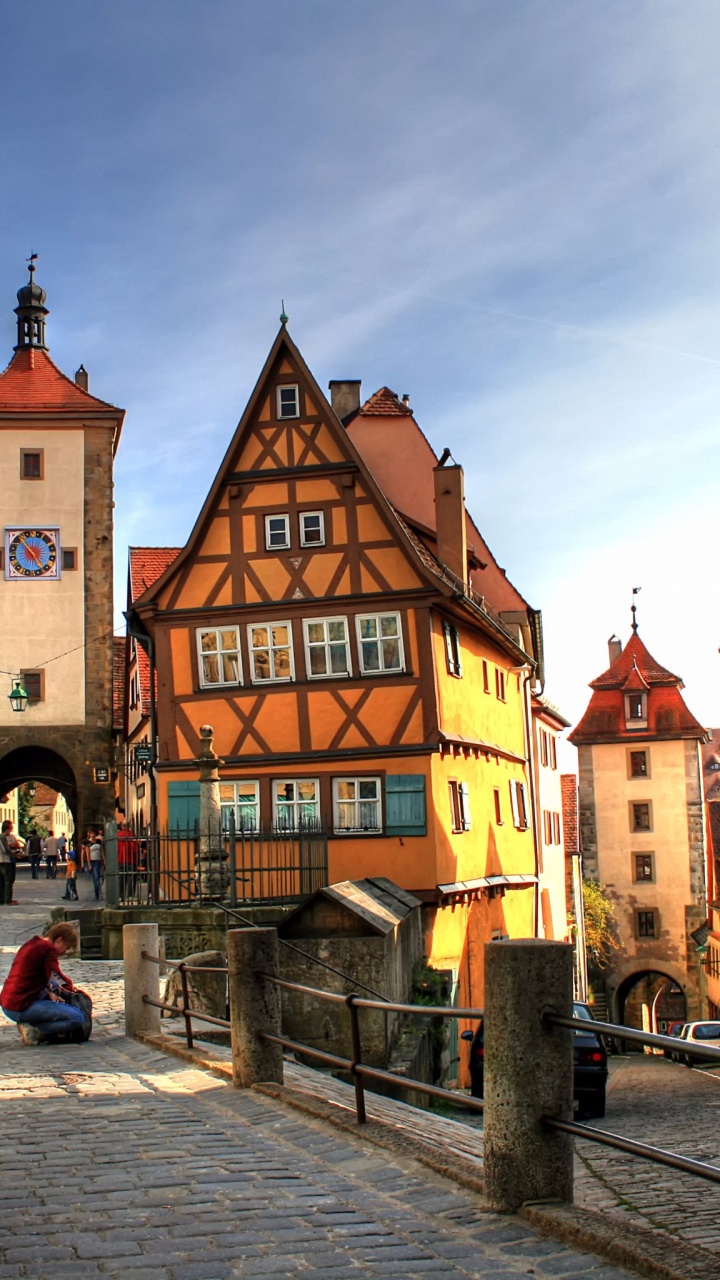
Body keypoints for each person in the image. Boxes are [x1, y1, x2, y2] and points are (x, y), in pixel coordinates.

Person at [0, 922, 87, 1045]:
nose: (64, 952)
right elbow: (56, 976)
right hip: (21, 1005)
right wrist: (70, 989)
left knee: (54, 992)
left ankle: (32, 1023)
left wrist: (49, 991)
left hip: (8, 1002)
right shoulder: (47, 949)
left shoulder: (32, 943)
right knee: (77, 1018)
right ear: (59, 940)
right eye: (66, 947)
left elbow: (35, 975)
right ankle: (35, 1030)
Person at [0, 820, 24, 904]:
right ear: (8, 828)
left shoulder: (6, 836)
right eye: (11, 828)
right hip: (5, 861)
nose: (12, 830)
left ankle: (2, 899)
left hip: (2, 861)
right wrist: (15, 855)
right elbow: (5, 850)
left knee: (2, 882)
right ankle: (7, 900)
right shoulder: (2, 837)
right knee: (8, 881)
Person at [117, 822, 140, 902]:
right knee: (131, 877)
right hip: (131, 859)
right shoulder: (132, 835)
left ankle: (120, 895)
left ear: (121, 826)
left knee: (121, 878)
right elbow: (135, 848)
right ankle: (130, 895)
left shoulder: (118, 835)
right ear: (129, 826)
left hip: (120, 859)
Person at [89, 834, 104, 901]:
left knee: (99, 878)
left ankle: (98, 892)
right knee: (96, 878)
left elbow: (101, 851)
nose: (93, 837)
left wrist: (104, 860)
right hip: (93, 861)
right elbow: (87, 853)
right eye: (91, 836)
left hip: (99, 861)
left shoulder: (99, 841)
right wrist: (89, 864)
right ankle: (97, 894)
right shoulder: (88, 842)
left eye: (93, 835)